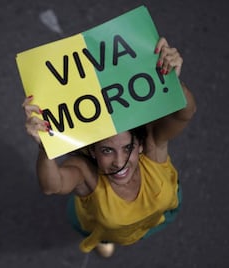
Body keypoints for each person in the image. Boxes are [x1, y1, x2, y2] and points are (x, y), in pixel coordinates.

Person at [22, 37, 196, 258]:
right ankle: (102, 239)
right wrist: (46, 148)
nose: (119, 161)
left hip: (159, 215)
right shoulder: (86, 173)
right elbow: (51, 186)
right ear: (91, 151)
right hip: (107, 229)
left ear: (141, 144)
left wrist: (171, 80)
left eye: (127, 148)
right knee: (106, 234)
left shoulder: (154, 147)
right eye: (106, 150)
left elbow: (185, 112)